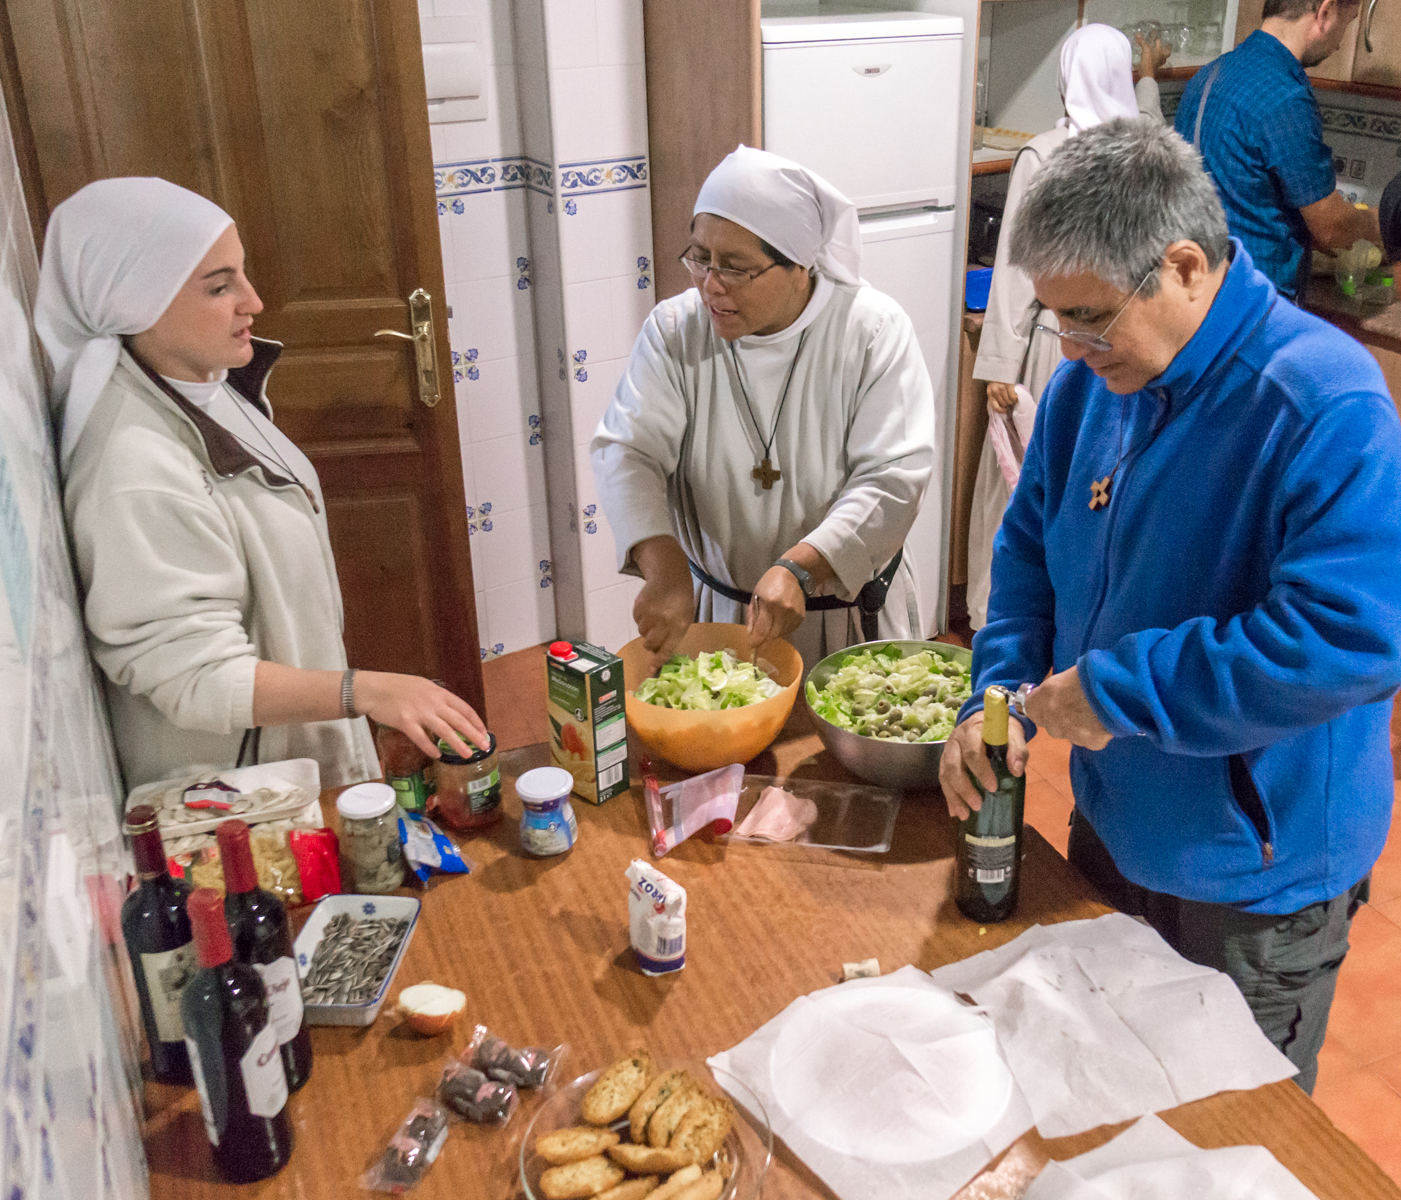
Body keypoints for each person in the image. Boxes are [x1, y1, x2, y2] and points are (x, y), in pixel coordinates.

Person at [938, 120, 1401, 1094]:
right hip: (1115, 826)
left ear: (1184, 266)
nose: (1068, 345)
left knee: (1227, 1138)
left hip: (1254, 883)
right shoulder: (1088, 390)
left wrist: (1115, 693)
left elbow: (1346, 641)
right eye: (1054, 316)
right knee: (1101, 1092)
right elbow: (1028, 547)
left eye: (1090, 316)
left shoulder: (1323, 401)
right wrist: (999, 693)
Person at [40, 177, 488, 789]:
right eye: (220, 286)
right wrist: (366, 691)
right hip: (241, 801)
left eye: (241, 275)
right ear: (131, 299)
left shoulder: (200, 383)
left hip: (282, 762)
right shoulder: (134, 470)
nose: (252, 301)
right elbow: (197, 677)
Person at [590, 146, 935, 669]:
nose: (710, 283)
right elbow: (629, 450)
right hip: (721, 614)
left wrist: (802, 567)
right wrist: (663, 568)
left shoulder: (870, 332)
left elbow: (893, 478)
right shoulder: (675, 331)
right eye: (700, 257)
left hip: (844, 616)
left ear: (800, 265)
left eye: (735, 268)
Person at [969, 23, 1166, 629]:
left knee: (1023, 486)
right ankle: (1075, 618)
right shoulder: (1150, 144)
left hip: (1056, 349)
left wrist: (999, 364)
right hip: (1126, 346)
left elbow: (1017, 268)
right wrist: (1151, 72)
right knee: (1100, 487)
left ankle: (994, 618)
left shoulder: (1046, 153)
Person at [1174, 0, 1381, 302]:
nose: (1340, 43)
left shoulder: (1208, 75)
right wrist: (1386, 221)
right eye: (1347, 24)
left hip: (1196, 290)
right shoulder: (1284, 97)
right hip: (1252, 303)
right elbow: (1332, 228)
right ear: (1325, 13)